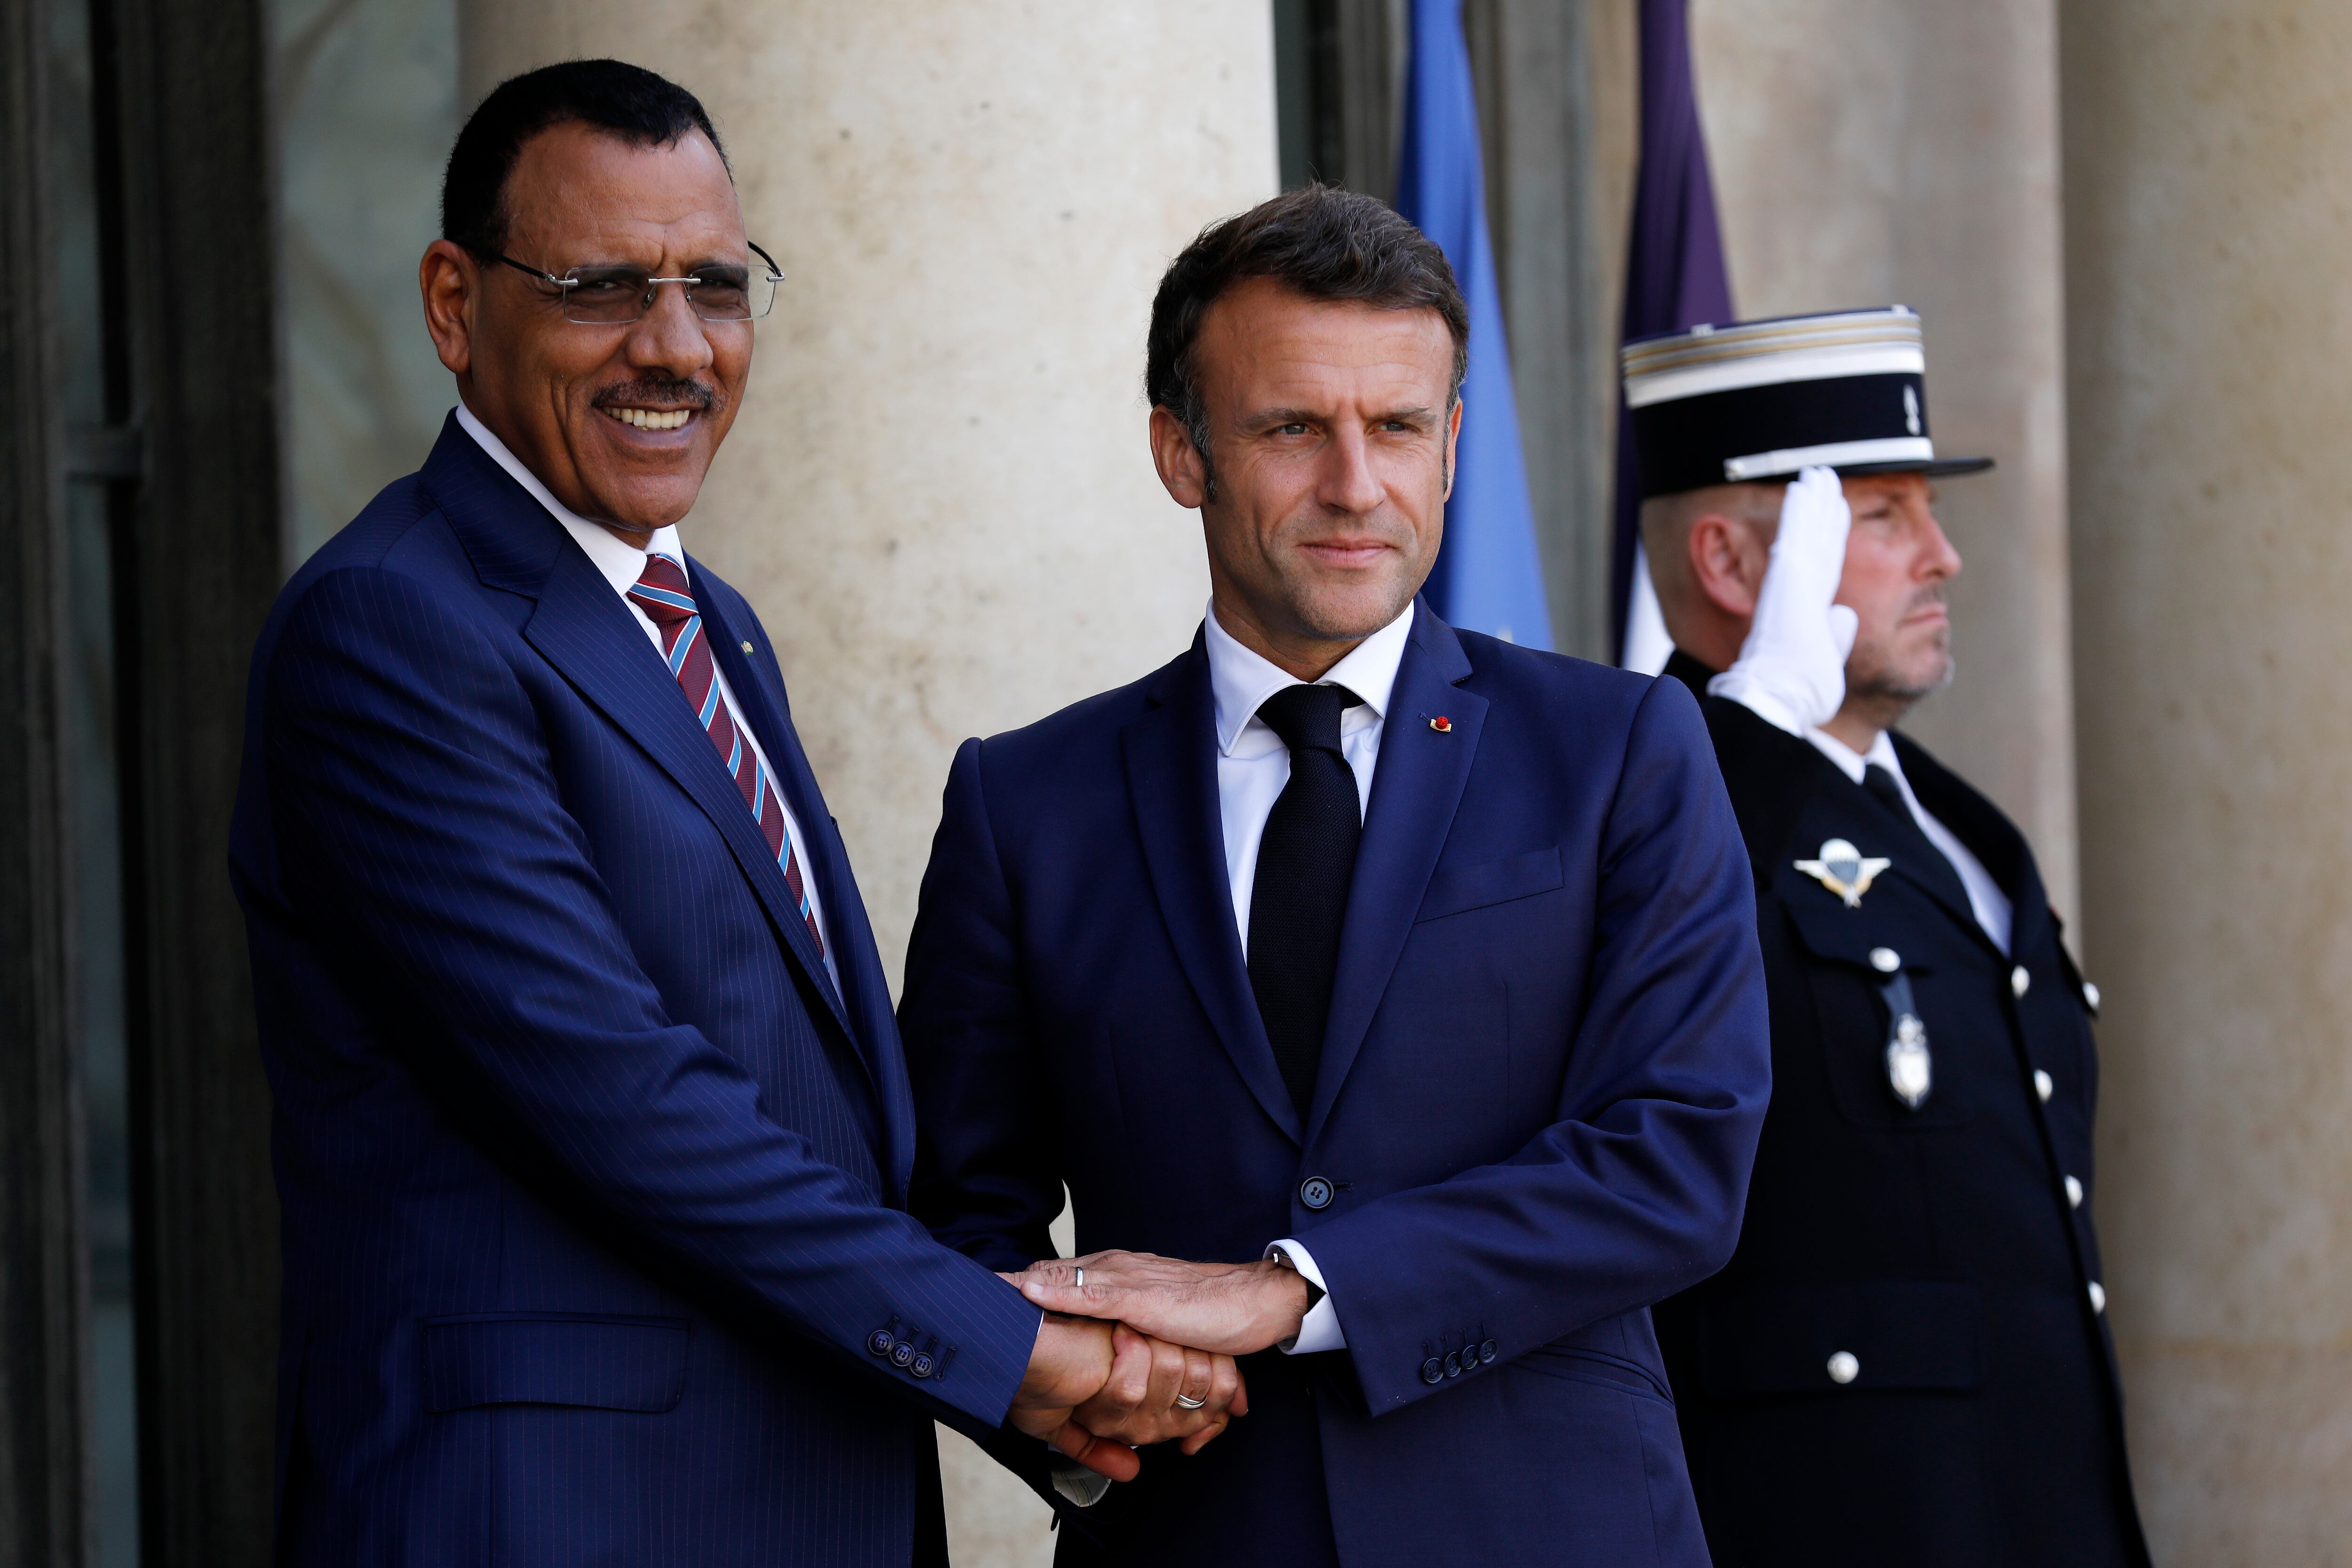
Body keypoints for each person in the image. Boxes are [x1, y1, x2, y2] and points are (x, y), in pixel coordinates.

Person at [228, 60, 1237, 1568]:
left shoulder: (708, 622)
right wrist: (1017, 1351)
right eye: (600, 288)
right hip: (554, 1524)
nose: (676, 346)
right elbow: (623, 1095)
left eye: (715, 283)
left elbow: (816, 1116)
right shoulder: (393, 627)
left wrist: (1022, 1368)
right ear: (454, 304)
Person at [897, 184, 1773, 1567]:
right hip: (1194, 1533)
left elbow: (1676, 1160)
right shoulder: (1025, 803)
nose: (1356, 486)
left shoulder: (1621, 749)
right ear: (1180, 453)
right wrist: (1077, 1402)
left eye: (1399, 428)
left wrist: (1289, 1291)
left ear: (1452, 447)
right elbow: (960, 1222)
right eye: (1294, 428)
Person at [1625, 307, 2151, 1566]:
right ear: (1734, 564)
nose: (1944, 558)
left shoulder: (1951, 820)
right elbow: (1631, 982)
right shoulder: (1644, 805)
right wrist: (1753, 726)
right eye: (1884, 517)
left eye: (1932, 511)